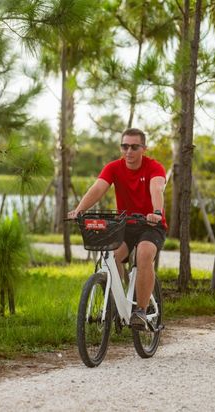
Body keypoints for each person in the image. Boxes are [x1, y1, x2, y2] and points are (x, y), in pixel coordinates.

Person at [67, 127, 167, 330]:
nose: (128, 151)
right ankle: (116, 302)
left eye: (134, 147)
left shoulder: (154, 167)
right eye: (124, 146)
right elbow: (98, 188)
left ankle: (141, 311)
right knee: (112, 256)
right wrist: (79, 210)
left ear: (144, 148)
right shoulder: (113, 167)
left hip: (150, 224)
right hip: (125, 225)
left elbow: (156, 188)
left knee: (144, 254)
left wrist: (156, 212)